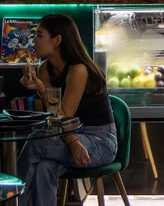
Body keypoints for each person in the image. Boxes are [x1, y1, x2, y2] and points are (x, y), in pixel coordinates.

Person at [17, 14, 117, 206]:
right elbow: (54, 116)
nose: (33, 41)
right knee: (44, 167)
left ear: (57, 40)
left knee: (34, 145)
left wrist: (73, 142)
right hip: (68, 135)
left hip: (100, 140)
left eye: (39, 35)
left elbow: (64, 114)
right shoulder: (45, 69)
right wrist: (40, 88)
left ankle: (10, 202)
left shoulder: (79, 69)